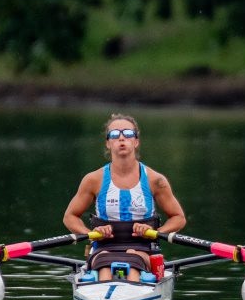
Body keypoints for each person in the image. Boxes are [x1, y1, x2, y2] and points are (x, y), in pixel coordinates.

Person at [63, 113, 187, 282]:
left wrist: (157, 233)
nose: (121, 138)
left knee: (132, 260)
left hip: (142, 249)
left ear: (136, 141)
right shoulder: (93, 180)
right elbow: (70, 217)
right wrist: (90, 233)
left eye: (128, 133)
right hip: (103, 248)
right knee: (105, 266)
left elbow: (179, 217)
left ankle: (122, 286)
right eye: (114, 134)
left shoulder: (155, 180)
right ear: (108, 143)